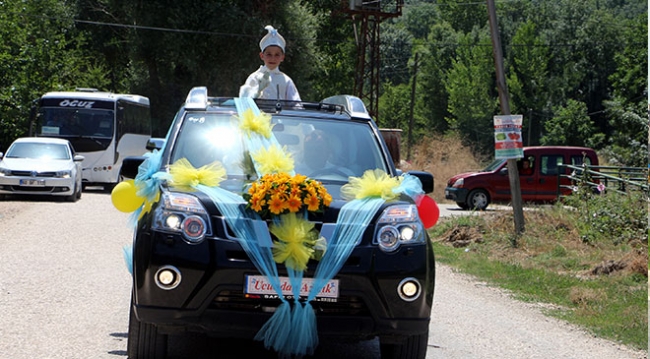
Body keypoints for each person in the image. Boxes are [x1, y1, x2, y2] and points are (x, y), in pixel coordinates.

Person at [239, 25, 301, 101]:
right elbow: (245, 102)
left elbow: (296, 105)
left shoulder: (286, 81)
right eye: (269, 54)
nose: (273, 58)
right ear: (262, 56)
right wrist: (257, 91)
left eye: (277, 55)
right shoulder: (254, 77)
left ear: (282, 57)